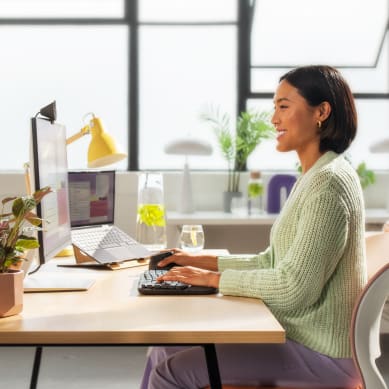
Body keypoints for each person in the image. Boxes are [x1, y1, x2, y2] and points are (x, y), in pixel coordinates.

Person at [140, 65, 367, 389]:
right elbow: (271, 262)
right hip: (300, 337)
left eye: (284, 107)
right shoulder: (315, 176)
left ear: (321, 112)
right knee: (164, 347)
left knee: (170, 373)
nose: (274, 119)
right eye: (274, 107)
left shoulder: (329, 184)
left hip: (322, 355)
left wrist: (215, 279)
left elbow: (294, 289)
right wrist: (198, 261)